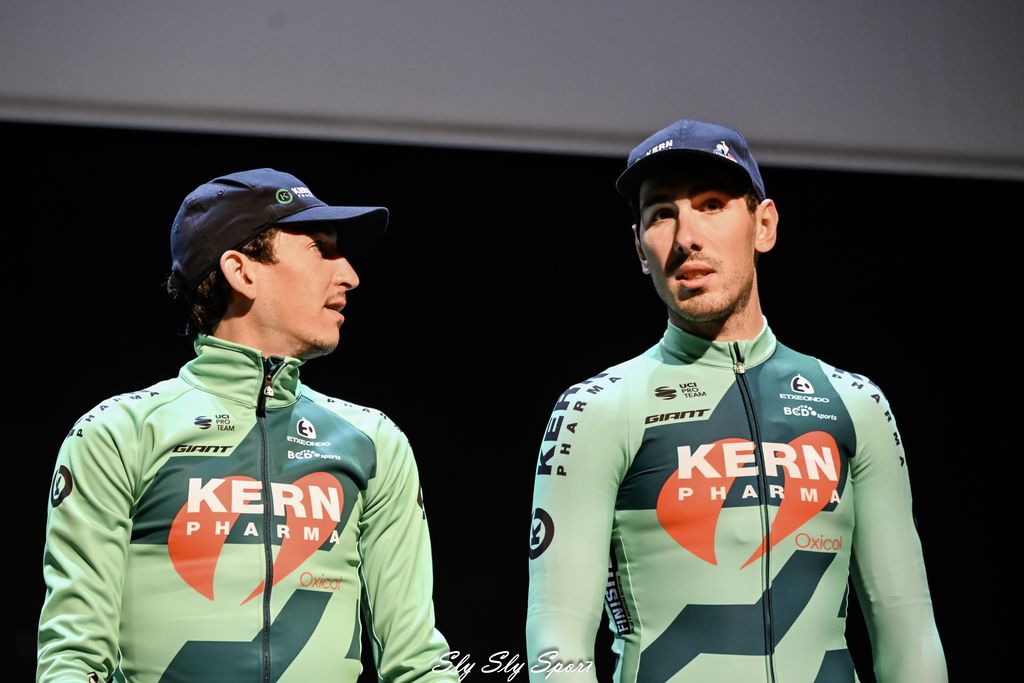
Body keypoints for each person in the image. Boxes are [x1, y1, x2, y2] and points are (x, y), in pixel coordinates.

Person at [525, 120, 947, 682]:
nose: (686, 237)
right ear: (640, 249)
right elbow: (556, 644)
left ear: (764, 225)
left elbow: (909, 631)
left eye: (712, 205)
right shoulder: (598, 408)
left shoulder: (856, 403)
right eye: (661, 214)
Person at [38, 168, 456, 682]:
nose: (350, 275)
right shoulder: (118, 433)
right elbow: (73, 659)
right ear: (241, 271)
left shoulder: (374, 441)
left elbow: (418, 662)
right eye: (321, 249)